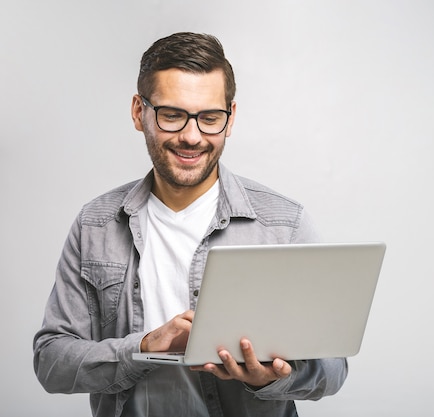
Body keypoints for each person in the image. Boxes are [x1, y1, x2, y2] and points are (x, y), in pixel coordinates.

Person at [33, 32, 348, 417]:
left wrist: (273, 378)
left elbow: (333, 369)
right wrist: (143, 346)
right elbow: (51, 362)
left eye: (210, 118)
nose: (191, 136)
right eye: (172, 115)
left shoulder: (283, 223)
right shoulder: (94, 225)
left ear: (230, 119)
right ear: (139, 112)